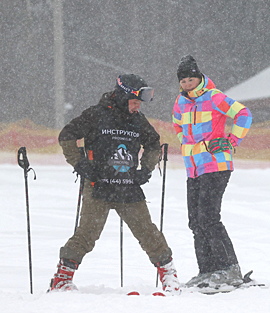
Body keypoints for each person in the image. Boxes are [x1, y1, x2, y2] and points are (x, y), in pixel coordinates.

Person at [49, 74, 180, 293]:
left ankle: (170, 277)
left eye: (139, 103)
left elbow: (153, 144)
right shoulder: (96, 115)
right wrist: (80, 164)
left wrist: (145, 170)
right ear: (121, 96)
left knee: (148, 233)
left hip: (128, 188)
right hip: (98, 187)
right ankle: (61, 279)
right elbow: (67, 135)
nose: (137, 107)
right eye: (134, 102)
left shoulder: (138, 120)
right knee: (87, 234)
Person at [172, 55, 253, 288]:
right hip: (193, 168)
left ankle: (229, 269)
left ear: (199, 78)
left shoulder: (214, 97)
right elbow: (178, 125)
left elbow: (244, 114)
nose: (188, 84)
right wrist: (185, 145)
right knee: (195, 221)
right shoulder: (180, 102)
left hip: (216, 165)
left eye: (191, 79)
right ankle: (208, 270)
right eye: (184, 81)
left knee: (208, 217)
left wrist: (232, 140)